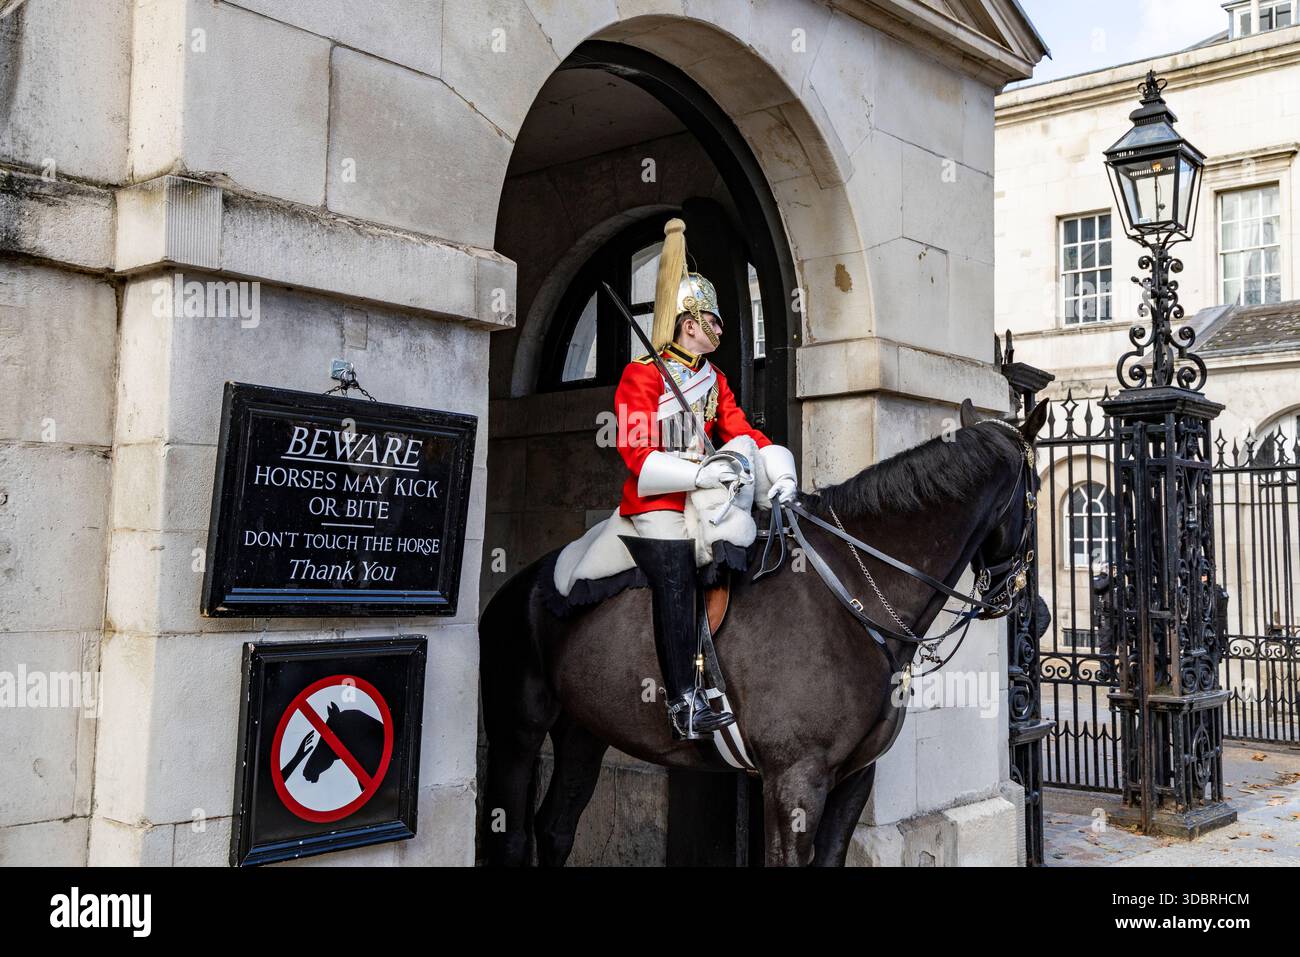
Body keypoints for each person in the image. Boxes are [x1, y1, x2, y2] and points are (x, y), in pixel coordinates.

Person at [614, 218, 798, 740]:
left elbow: (741, 430)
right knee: (676, 571)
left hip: (708, 496)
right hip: (657, 505)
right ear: (688, 322)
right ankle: (683, 700)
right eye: (712, 321)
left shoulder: (713, 379)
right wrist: (703, 472)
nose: (720, 329)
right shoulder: (641, 375)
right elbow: (637, 454)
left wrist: (777, 471)